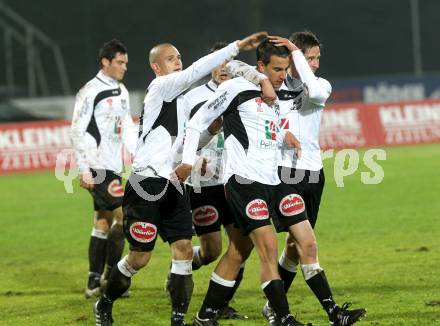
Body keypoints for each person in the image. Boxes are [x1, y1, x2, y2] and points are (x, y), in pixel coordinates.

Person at [93, 31, 269, 326]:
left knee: (184, 252)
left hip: (175, 183)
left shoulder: (183, 102)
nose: (178, 62)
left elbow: (189, 143)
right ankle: (104, 303)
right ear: (157, 67)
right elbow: (196, 71)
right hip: (146, 184)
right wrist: (236, 48)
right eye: (171, 58)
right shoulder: (160, 87)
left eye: (179, 57)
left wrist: (211, 131)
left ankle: (178, 320)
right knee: (140, 258)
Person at [174, 38, 310, 326]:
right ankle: (283, 318)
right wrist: (187, 160)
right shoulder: (232, 88)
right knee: (265, 248)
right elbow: (195, 124)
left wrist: (285, 138)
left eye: (284, 69)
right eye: (276, 69)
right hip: (235, 183)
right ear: (260, 66)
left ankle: (205, 315)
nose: (282, 75)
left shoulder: (269, 94)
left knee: (239, 249)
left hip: (260, 182)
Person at [257, 33, 367, 326]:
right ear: (293, 59)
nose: (316, 64)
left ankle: (273, 308)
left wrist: (298, 55)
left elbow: (315, 94)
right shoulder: (268, 86)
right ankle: (334, 313)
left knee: (296, 246)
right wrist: (292, 56)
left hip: (313, 173)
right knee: (308, 243)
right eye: (311, 58)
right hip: (283, 175)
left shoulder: (320, 86)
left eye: (318, 58)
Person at [179, 41, 248, 320]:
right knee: (211, 250)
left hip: (233, 182)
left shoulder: (243, 94)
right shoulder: (191, 98)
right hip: (202, 185)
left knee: (241, 245)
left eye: (228, 64)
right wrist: (192, 160)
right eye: (217, 63)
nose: (223, 69)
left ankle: (220, 304)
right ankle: (182, 267)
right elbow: (180, 139)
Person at [70, 39, 137, 299]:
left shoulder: (121, 90)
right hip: (96, 166)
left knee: (103, 220)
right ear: (105, 62)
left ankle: (93, 282)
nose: (124, 67)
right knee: (125, 216)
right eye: (119, 62)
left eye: (126, 63)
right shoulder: (90, 91)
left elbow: (127, 129)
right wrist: (83, 167)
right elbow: (77, 129)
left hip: (113, 165)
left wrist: (137, 157)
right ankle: (112, 277)